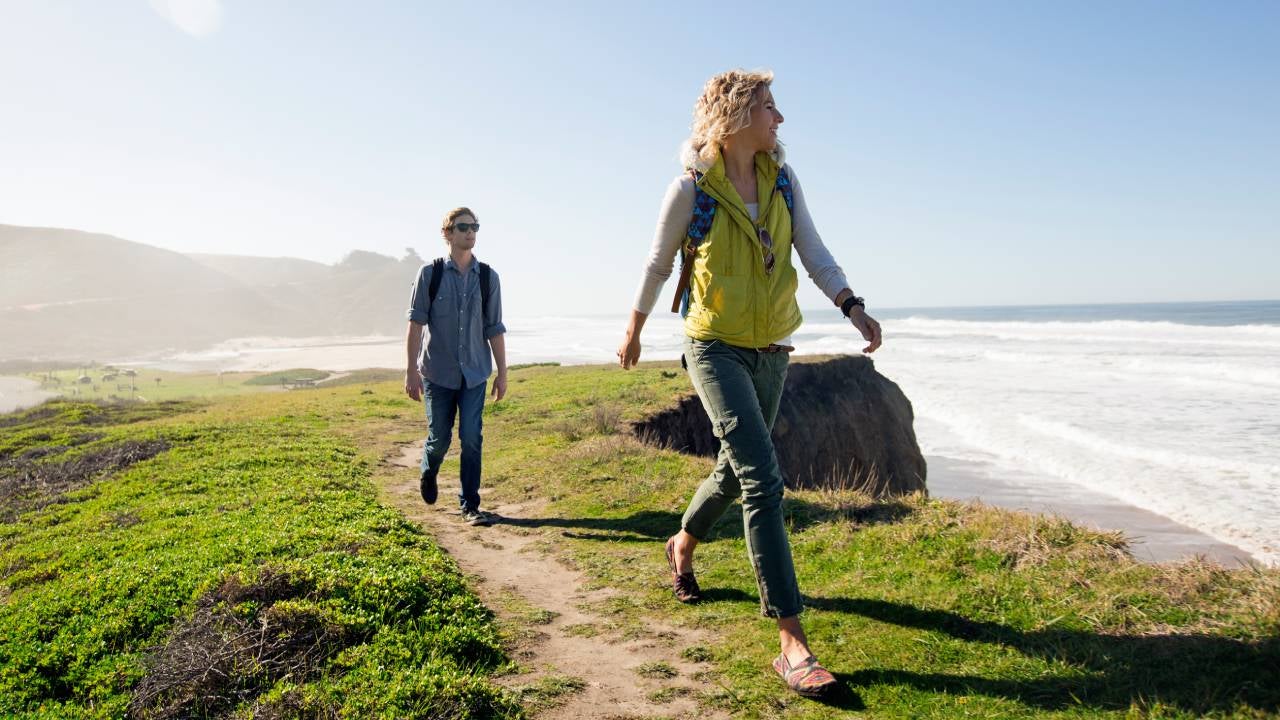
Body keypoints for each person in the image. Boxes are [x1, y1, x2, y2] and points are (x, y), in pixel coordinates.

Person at [617, 69, 882, 697]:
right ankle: (792, 642)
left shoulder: (783, 180)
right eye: (768, 107)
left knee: (737, 470)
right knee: (763, 475)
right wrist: (633, 330)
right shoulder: (691, 190)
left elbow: (813, 251)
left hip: (772, 348)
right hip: (714, 347)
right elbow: (657, 264)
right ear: (735, 117)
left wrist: (852, 304)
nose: (779, 119)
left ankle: (682, 540)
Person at [406, 207, 508, 527]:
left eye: (474, 226)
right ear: (447, 233)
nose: (470, 232)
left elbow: (494, 328)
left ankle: (470, 505)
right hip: (438, 373)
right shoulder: (429, 274)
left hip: (476, 372)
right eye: (463, 226)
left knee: (471, 437)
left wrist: (503, 374)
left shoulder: (489, 278)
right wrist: (410, 370)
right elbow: (416, 325)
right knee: (439, 438)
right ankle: (429, 468)